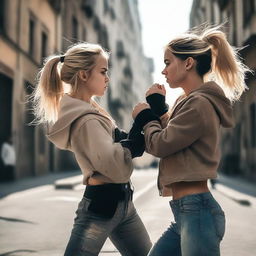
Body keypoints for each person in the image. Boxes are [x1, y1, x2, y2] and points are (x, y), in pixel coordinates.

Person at [131, 25, 250, 256]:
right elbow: (176, 137)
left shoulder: (199, 103)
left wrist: (146, 117)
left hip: (197, 212)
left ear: (188, 63)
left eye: (167, 62)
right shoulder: (189, 101)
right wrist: (160, 111)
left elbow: (161, 144)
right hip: (186, 213)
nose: (164, 71)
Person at [32, 42, 151, 256]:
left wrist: (145, 123)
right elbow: (113, 164)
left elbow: (121, 144)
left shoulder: (93, 112)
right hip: (101, 208)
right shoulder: (87, 120)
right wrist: (137, 128)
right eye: (103, 71)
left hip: (123, 205)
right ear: (84, 75)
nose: (107, 78)